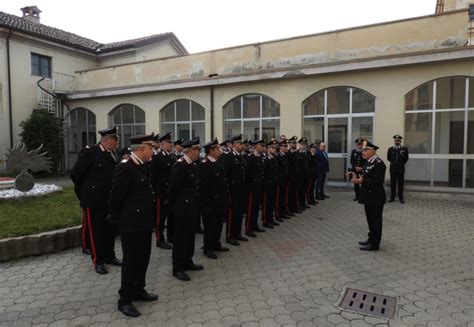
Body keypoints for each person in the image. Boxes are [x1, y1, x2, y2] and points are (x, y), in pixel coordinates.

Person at [109, 133, 158, 318]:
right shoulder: (125, 167)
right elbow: (116, 195)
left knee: (143, 258)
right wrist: (115, 218)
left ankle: (139, 289)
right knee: (130, 261)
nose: (152, 150)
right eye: (150, 148)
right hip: (130, 223)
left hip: (144, 221)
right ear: (141, 149)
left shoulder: (143, 165)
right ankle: (125, 300)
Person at [71, 126, 121, 275]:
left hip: (108, 199)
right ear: (106, 140)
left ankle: (110, 256)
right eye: (114, 141)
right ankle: (98, 260)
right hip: (93, 199)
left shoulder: (113, 154)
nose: (117, 144)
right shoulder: (90, 153)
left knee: (110, 230)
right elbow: (76, 174)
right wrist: (85, 191)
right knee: (96, 231)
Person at [168, 138, 204, 281]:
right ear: (191, 151)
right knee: (180, 239)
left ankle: (188, 261)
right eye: (197, 150)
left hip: (191, 207)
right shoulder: (180, 166)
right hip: (182, 209)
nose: (199, 153)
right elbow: (173, 189)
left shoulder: (192, 165)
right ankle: (178, 268)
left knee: (190, 237)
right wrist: (174, 207)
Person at [348, 140, 386, 251]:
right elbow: (365, 175)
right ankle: (371, 239)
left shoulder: (378, 163)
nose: (363, 152)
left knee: (376, 221)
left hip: (375, 197)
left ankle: (375, 244)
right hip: (368, 197)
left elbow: (377, 181)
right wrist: (354, 174)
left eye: (365, 150)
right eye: (363, 150)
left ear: (373, 151)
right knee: (370, 220)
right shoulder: (369, 162)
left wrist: (361, 182)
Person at [198, 138, 230, 259]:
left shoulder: (217, 162)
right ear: (211, 150)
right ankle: (208, 248)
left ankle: (216, 244)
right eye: (217, 149)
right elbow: (203, 187)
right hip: (210, 203)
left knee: (218, 225)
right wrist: (206, 205)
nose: (219, 150)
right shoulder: (205, 164)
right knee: (210, 227)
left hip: (220, 201)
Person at [219, 134, 248, 246]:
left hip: (240, 189)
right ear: (234, 145)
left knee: (239, 212)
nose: (242, 145)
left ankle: (237, 233)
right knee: (232, 213)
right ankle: (230, 235)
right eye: (240, 144)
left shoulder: (240, 156)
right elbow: (225, 175)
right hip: (232, 191)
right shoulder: (228, 157)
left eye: (242, 144)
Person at [150, 132, 176, 249]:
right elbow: (153, 177)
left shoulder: (171, 156)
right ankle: (160, 239)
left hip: (170, 191)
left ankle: (171, 236)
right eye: (169, 143)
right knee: (160, 218)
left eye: (171, 143)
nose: (171, 145)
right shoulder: (157, 158)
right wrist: (156, 192)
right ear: (163, 144)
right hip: (161, 192)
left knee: (171, 215)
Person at [244, 139, 266, 236]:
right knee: (251, 208)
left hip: (259, 187)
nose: (263, 147)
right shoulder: (250, 158)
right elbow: (247, 174)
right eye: (261, 145)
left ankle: (254, 225)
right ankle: (248, 228)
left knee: (256, 207)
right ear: (256, 146)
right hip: (252, 188)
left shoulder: (259, 157)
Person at [262, 139, 281, 227]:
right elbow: (264, 173)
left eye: (275, 148)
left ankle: (271, 219)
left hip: (274, 184)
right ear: (268, 149)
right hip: (267, 185)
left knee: (272, 203)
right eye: (273, 148)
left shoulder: (274, 158)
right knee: (267, 203)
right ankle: (265, 221)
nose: (275, 149)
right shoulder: (265, 159)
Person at [387, 134, 409, 203]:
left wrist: (400, 164)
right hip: (393, 169)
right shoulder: (390, 149)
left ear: (400, 141)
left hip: (401, 169)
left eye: (398, 141)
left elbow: (406, 158)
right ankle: (392, 197)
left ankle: (400, 197)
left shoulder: (404, 149)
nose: (397, 142)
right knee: (392, 183)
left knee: (400, 184)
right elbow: (389, 158)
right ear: (394, 141)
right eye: (396, 140)